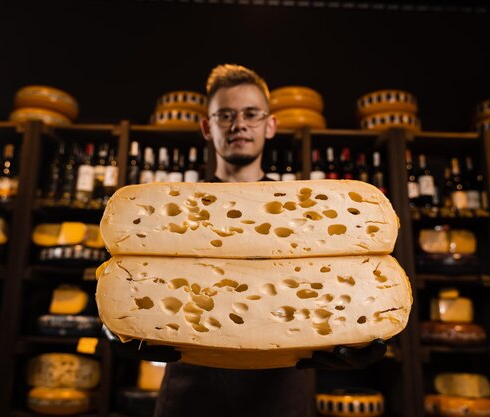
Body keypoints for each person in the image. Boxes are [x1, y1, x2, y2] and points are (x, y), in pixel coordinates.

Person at [105, 64, 387, 417]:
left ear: (270, 125)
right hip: (191, 398)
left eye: (251, 114)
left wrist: (356, 332)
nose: (239, 124)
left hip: (282, 397)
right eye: (226, 115)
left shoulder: (307, 213)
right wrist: (115, 328)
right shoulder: (168, 214)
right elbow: (124, 279)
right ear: (208, 127)